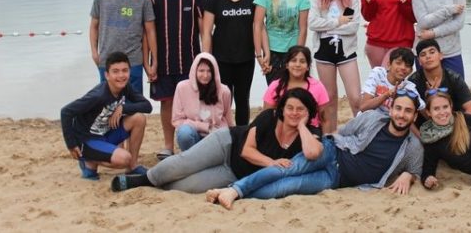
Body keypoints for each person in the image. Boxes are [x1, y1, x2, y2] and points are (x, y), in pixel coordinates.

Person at [205, 91, 424, 208]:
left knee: (285, 188)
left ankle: (232, 192)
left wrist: (408, 175)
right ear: (391, 108)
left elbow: (416, 169)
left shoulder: (413, 146)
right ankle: (235, 190)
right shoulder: (373, 119)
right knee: (287, 169)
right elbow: (343, 133)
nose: (401, 115)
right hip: (331, 152)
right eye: (398, 109)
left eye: (407, 112)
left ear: (414, 116)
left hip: (336, 180)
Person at [110, 88, 323, 193]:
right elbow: (247, 151)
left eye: (300, 109)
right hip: (227, 144)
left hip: (235, 172)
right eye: (290, 108)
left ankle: (153, 182)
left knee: (184, 187)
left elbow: (313, 153)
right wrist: (272, 163)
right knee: (184, 162)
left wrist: (303, 126)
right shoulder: (270, 117)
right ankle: (140, 180)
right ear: (282, 109)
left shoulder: (310, 131)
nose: (294, 113)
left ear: (308, 111)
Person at [147, 0, 206, 160]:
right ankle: (168, 146)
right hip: (163, 63)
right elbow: (147, 32)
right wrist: (149, 63)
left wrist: (206, 58)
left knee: (194, 104)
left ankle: (193, 145)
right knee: (167, 103)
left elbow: (204, 30)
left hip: (190, 61)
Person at [61, 51, 151, 180]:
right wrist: (71, 145)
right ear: (107, 75)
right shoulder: (98, 96)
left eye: (124, 70)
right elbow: (66, 112)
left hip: (106, 133)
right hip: (89, 139)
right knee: (124, 158)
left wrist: (123, 107)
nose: (121, 75)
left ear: (129, 72)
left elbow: (147, 106)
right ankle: (88, 160)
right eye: (115, 71)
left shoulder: (126, 87)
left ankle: (132, 166)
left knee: (139, 118)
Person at [202, 0, 259, 125]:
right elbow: (206, 31)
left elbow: (259, 27)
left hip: (245, 59)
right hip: (221, 59)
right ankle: (222, 135)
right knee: (223, 100)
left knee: (243, 100)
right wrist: (206, 58)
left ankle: (241, 136)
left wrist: (261, 54)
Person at [89, 0, 157, 95]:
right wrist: (95, 53)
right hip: (107, 59)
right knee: (108, 103)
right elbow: (94, 26)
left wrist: (152, 61)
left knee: (134, 103)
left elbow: (150, 31)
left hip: (133, 61)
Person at [308, 0, 362, 132]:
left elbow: (353, 27)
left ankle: (362, 131)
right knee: (329, 98)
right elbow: (313, 23)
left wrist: (328, 26)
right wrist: (338, 22)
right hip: (324, 53)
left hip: (346, 52)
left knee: (355, 97)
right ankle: (330, 136)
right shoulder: (318, 1)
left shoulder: (351, 2)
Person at [253, 0, 310, 84]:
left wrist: (298, 55)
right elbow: (258, 25)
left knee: (293, 90)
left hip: (292, 51)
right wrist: (260, 54)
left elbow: (303, 29)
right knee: (274, 91)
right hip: (271, 51)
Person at [172, 52, 235, 151]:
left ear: (214, 72)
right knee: (184, 133)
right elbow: (177, 120)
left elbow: (228, 118)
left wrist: (234, 137)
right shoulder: (182, 87)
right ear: (194, 71)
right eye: (201, 71)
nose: (205, 75)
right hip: (193, 134)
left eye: (209, 71)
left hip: (216, 135)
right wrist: (204, 126)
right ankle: (191, 160)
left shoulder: (224, 91)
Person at [263, 45, 330, 132]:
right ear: (287, 65)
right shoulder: (276, 86)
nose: (297, 65)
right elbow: (266, 117)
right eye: (293, 60)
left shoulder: (318, 86)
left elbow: (325, 120)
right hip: (282, 133)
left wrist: (326, 142)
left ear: (308, 66)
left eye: (302, 61)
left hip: (311, 132)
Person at [408, 39, 471, 119]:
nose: (428, 56)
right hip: (425, 126)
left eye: (432, 52)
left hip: (454, 122)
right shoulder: (413, 82)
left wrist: (455, 127)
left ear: (441, 55)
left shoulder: (454, 78)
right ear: (419, 61)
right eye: (423, 54)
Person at [360, 47, 425, 113]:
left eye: (407, 66)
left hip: (388, 122)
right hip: (367, 119)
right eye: (398, 63)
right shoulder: (378, 73)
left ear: (410, 71)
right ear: (389, 64)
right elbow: (364, 107)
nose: (403, 68)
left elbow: (422, 109)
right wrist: (386, 95)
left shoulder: (408, 87)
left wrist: (431, 96)